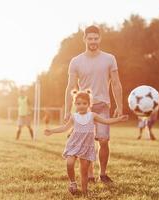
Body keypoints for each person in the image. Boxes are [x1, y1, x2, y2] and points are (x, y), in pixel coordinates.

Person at [64, 25, 123, 183]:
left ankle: (102, 174)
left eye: (96, 38)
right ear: (84, 39)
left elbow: (116, 83)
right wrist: (66, 110)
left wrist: (120, 106)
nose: (93, 41)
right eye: (90, 38)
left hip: (103, 105)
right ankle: (89, 176)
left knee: (103, 141)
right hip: (85, 108)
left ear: (100, 39)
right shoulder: (76, 61)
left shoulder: (109, 58)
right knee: (86, 142)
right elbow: (70, 87)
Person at [44, 90, 128, 195]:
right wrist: (51, 131)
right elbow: (65, 128)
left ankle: (84, 192)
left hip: (86, 146)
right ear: (75, 104)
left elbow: (106, 121)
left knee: (84, 171)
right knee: (69, 163)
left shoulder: (92, 115)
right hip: (74, 144)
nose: (81, 106)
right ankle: (73, 182)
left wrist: (119, 119)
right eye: (78, 103)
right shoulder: (74, 116)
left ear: (89, 104)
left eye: (84, 103)